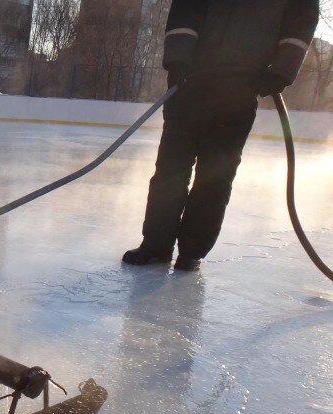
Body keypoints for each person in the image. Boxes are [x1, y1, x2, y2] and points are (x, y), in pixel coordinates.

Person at [123, 0, 320, 271]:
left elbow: (302, 17)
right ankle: (156, 245)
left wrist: (283, 68)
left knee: (215, 176)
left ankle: (192, 250)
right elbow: (185, 9)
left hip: (240, 89)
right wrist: (179, 57)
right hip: (191, 80)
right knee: (170, 170)